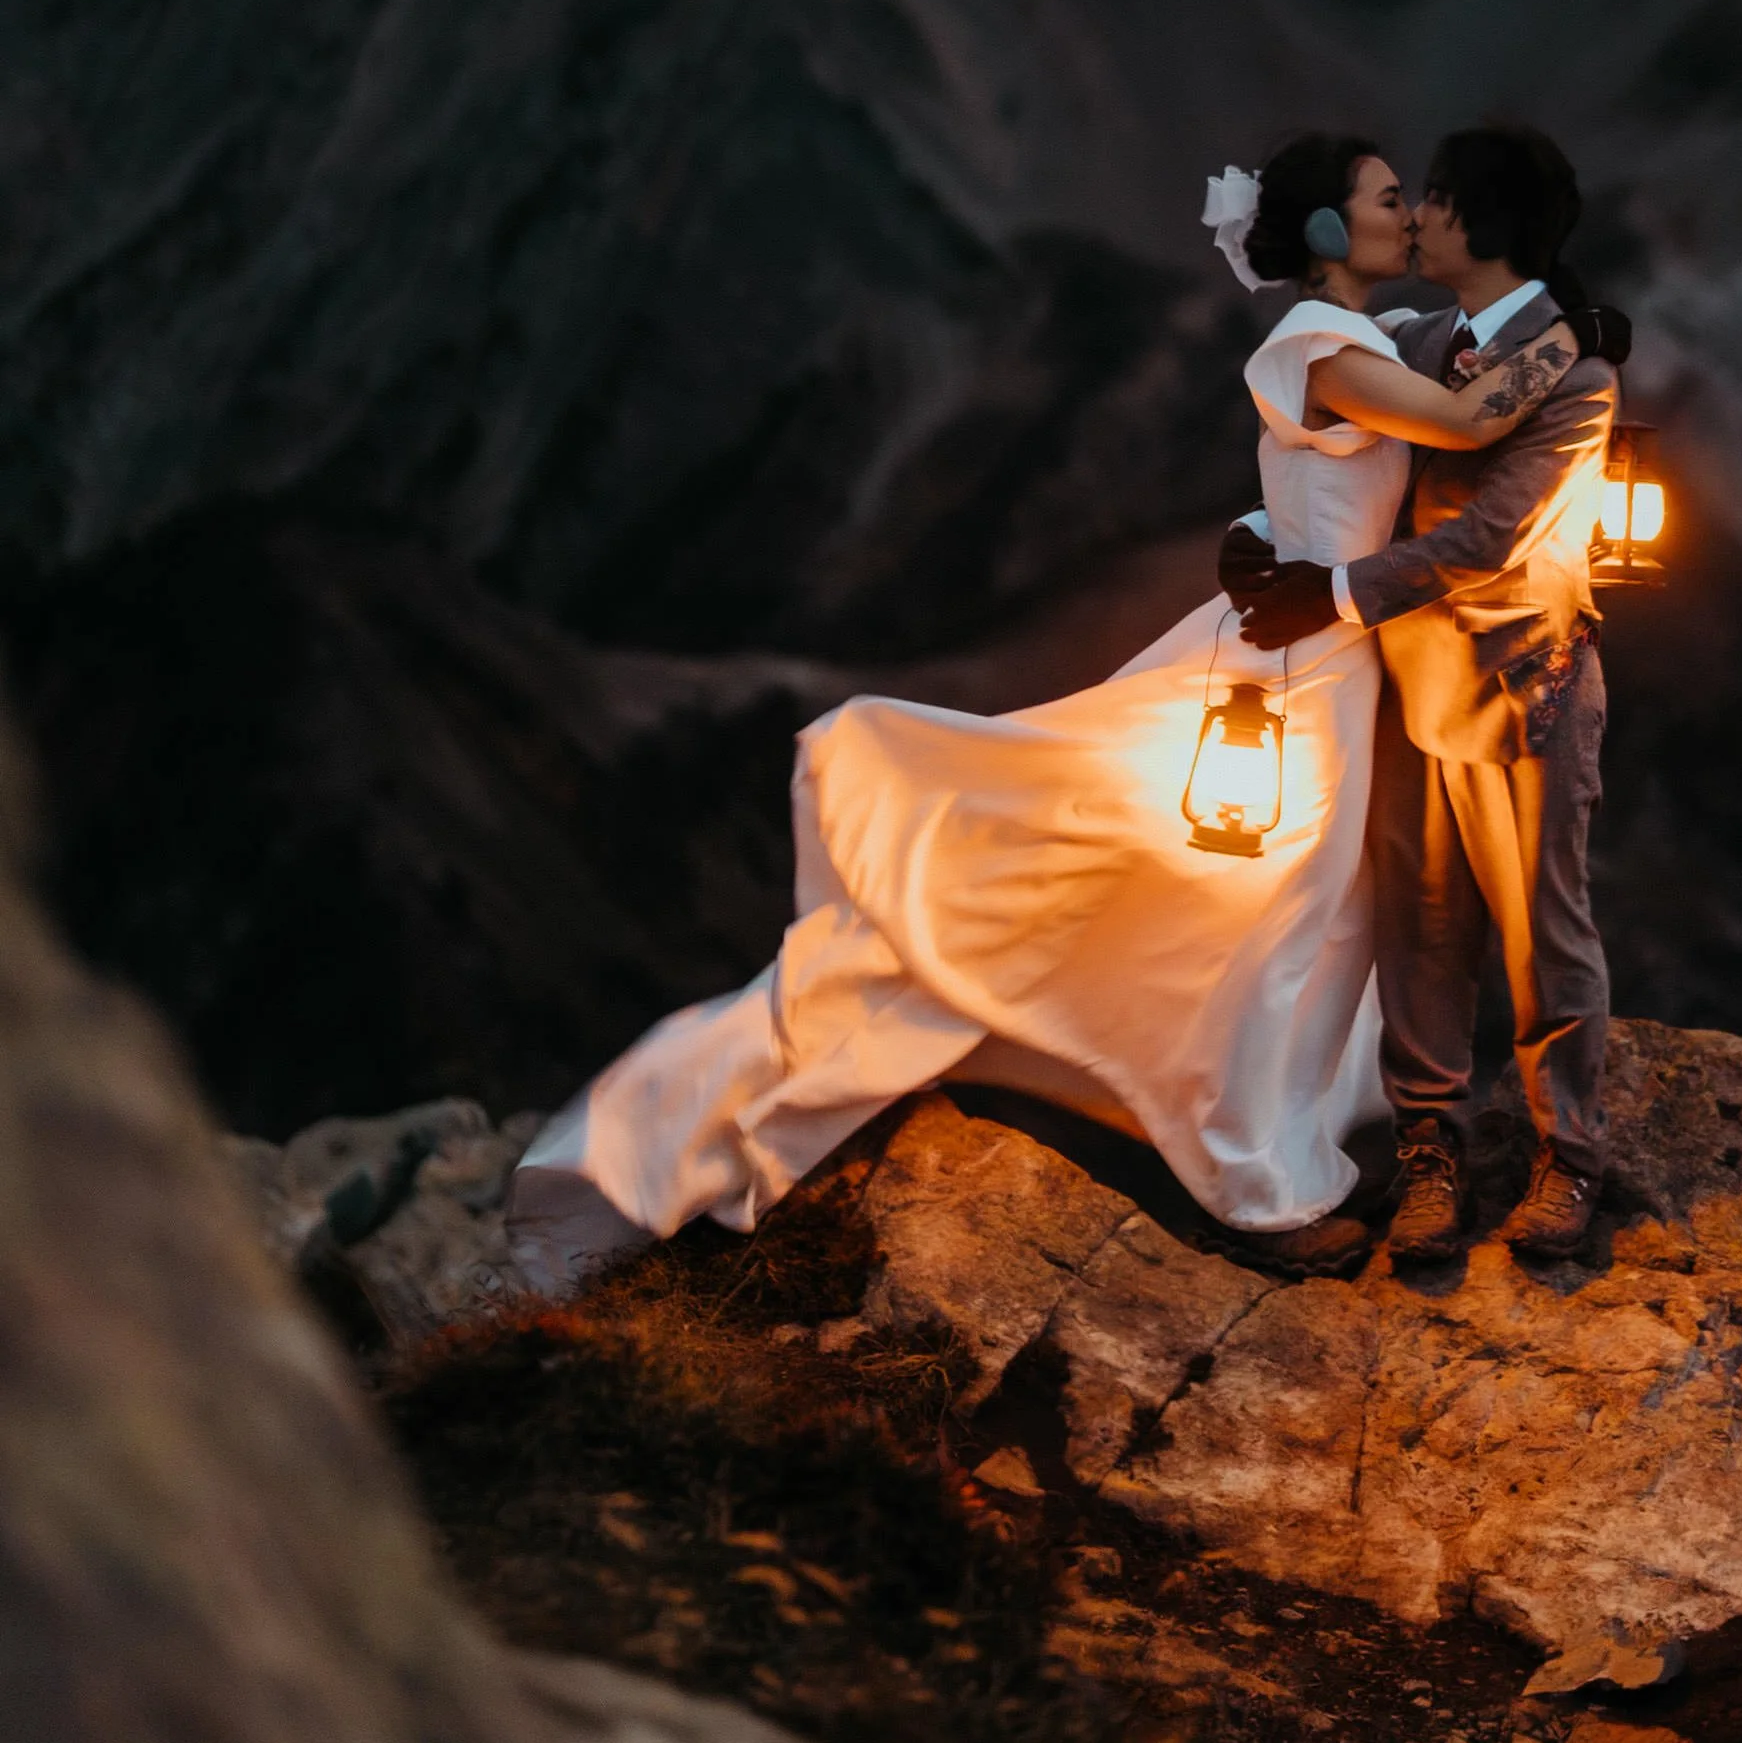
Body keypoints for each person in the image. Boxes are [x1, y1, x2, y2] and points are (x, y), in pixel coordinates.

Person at [505, 132, 1579, 1294]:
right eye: (1383, 197)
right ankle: (1256, 1184)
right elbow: (1469, 425)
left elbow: (1325, 487)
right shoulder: (1323, 341)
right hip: (1301, 668)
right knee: (1280, 916)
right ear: (1327, 232)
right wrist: (1569, 339)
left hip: (1325, 645)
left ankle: (1271, 1143)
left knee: (1307, 916)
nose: (1408, 214)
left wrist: (1261, 538)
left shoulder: (1361, 339)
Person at [1235, 125, 1619, 1263]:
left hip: (1522, 681)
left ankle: (1570, 1162)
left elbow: (1494, 536)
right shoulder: (1422, 336)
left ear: (1475, 221)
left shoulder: (1578, 372)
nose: (1415, 219)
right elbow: (1333, 459)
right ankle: (1428, 1155)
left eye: (1430, 200)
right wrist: (1265, 536)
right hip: (1404, 674)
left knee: (1542, 933)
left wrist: (1336, 591)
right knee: (1419, 925)